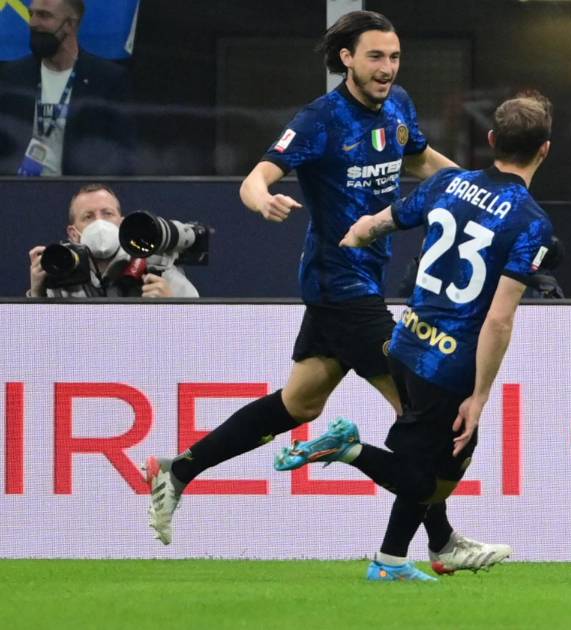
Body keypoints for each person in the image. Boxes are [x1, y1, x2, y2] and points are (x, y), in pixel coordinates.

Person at [141, 11, 508, 574]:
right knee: (422, 412)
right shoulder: (320, 119)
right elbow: (257, 177)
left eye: (394, 57)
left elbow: (421, 160)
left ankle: (180, 469)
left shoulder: (399, 105)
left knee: (300, 403)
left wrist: (478, 194)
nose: (387, 68)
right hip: (340, 284)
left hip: (359, 282)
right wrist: (262, 199)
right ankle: (439, 543)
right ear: (347, 58)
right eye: (375, 56)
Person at [274, 91, 555, 582]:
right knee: (432, 484)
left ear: (491, 140)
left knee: (420, 460)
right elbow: (499, 320)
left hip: (406, 343)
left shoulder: (449, 182)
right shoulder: (531, 223)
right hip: (449, 365)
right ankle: (347, 449)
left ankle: (391, 561)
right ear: (545, 150)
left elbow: (380, 223)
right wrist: (480, 395)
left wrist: (355, 236)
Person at [0, 0, 135, 176]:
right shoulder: (13, 76)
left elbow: (121, 153)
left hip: (79, 187)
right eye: (31, 14)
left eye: (44, 15)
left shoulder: (107, 79)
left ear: (70, 24)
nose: (33, 23)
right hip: (18, 186)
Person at [27, 183, 197, 298]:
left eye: (107, 214)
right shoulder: (60, 274)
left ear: (121, 224)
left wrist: (172, 306)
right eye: (88, 217)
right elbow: (42, 337)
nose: (99, 222)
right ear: (73, 234)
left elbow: (199, 331)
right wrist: (36, 294)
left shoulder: (157, 267)